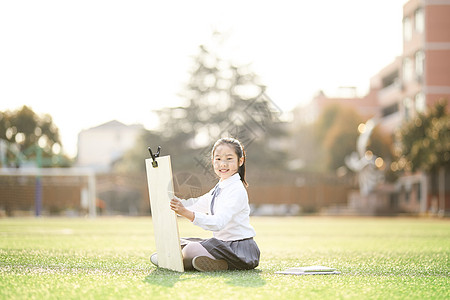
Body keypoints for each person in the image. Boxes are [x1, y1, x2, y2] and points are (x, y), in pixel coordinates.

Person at [150, 137, 260, 272]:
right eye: (218, 159)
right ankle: (215, 262)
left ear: (240, 161)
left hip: (239, 249)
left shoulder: (236, 190)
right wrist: (171, 200)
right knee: (176, 243)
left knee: (190, 249)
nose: (223, 164)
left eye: (229, 159)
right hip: (221, 245)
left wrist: (186, 214)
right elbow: (196, 204)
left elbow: (219, 222)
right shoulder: (220, 187)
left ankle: (216, 262)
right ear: (213, 161)